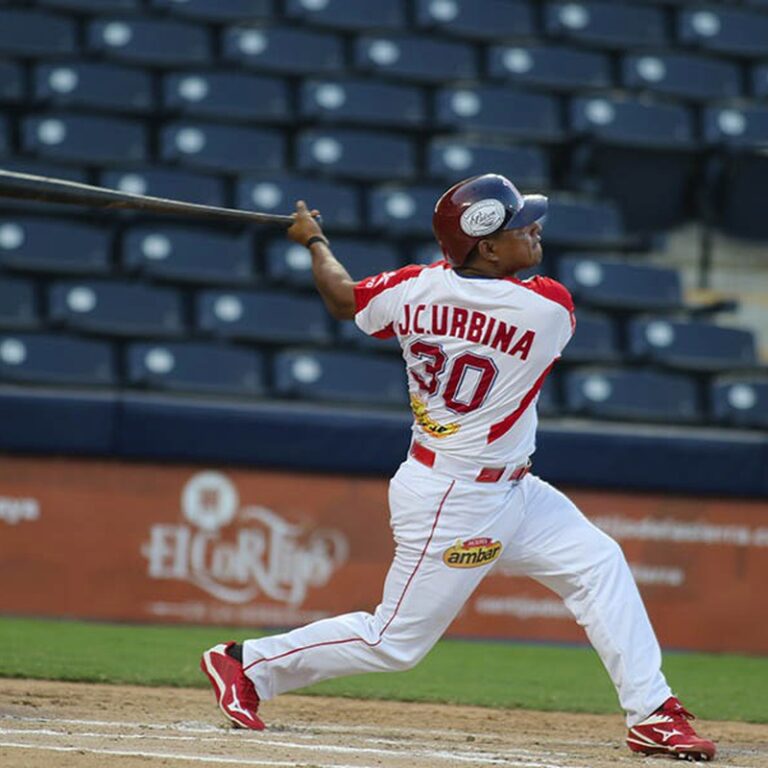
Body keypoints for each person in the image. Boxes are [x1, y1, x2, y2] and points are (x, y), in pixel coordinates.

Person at [200, 174, 716, 762]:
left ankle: (652, 714)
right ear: (488, 247)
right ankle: (246, 663)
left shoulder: (414, 288)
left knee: (599, 563)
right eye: (520, 226)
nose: (535, 229)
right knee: (396, 642)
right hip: (456, 497)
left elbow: (344, 299)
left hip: (511, 487)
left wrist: (314, 241)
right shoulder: (548, 306)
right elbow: (466, 294)